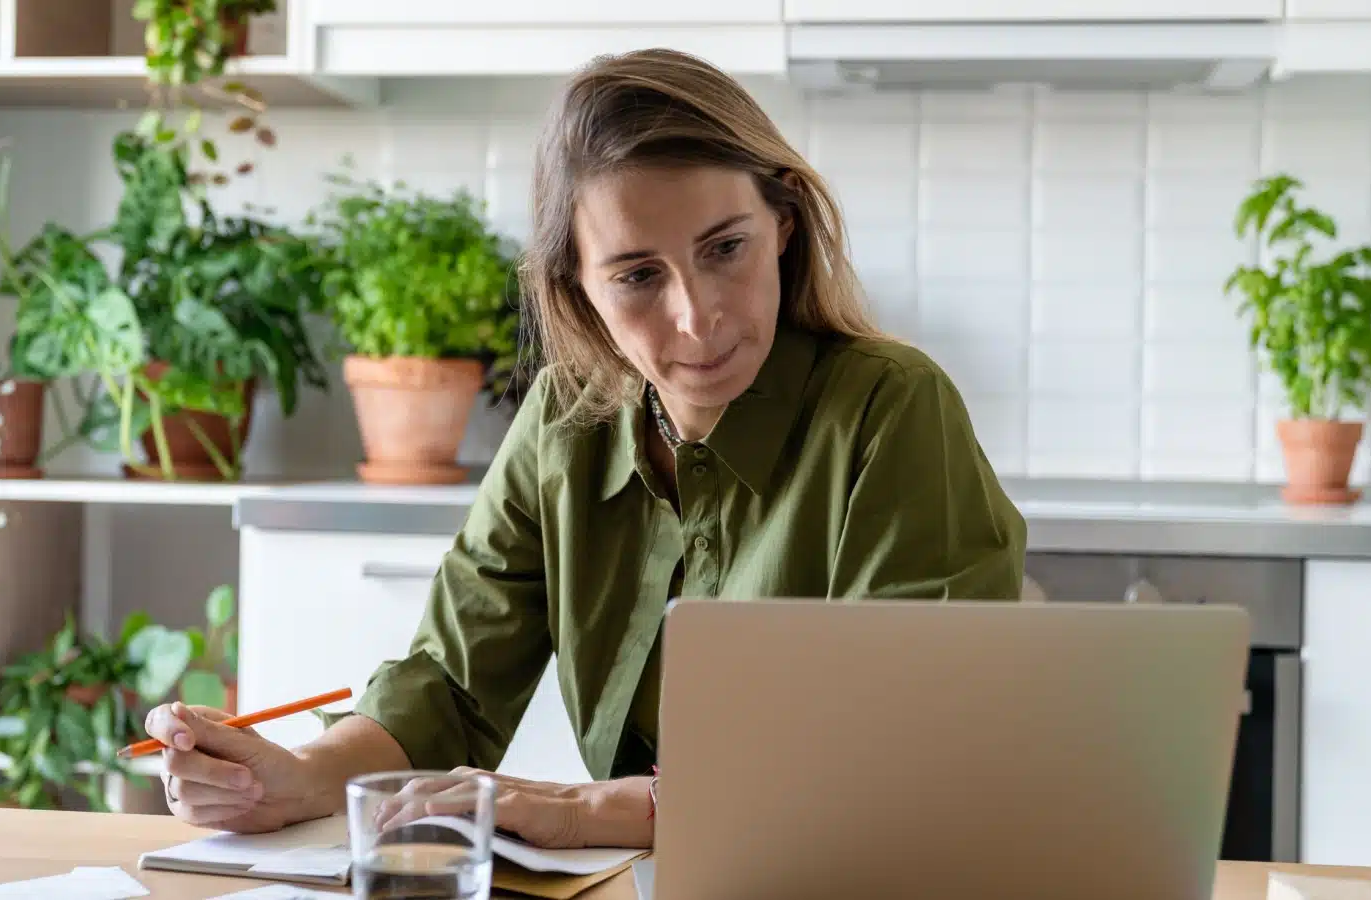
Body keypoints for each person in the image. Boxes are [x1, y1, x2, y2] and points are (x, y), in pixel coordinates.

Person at [145, 47, 1027, 852]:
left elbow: (907, 746)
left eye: (726, 248)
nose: (697, 315)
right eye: (639, 276)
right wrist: (297, 776)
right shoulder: (564, 420)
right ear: (578, 287)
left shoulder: (890, 407)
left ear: (784, 224)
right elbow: (452, 684)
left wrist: (583, 809)